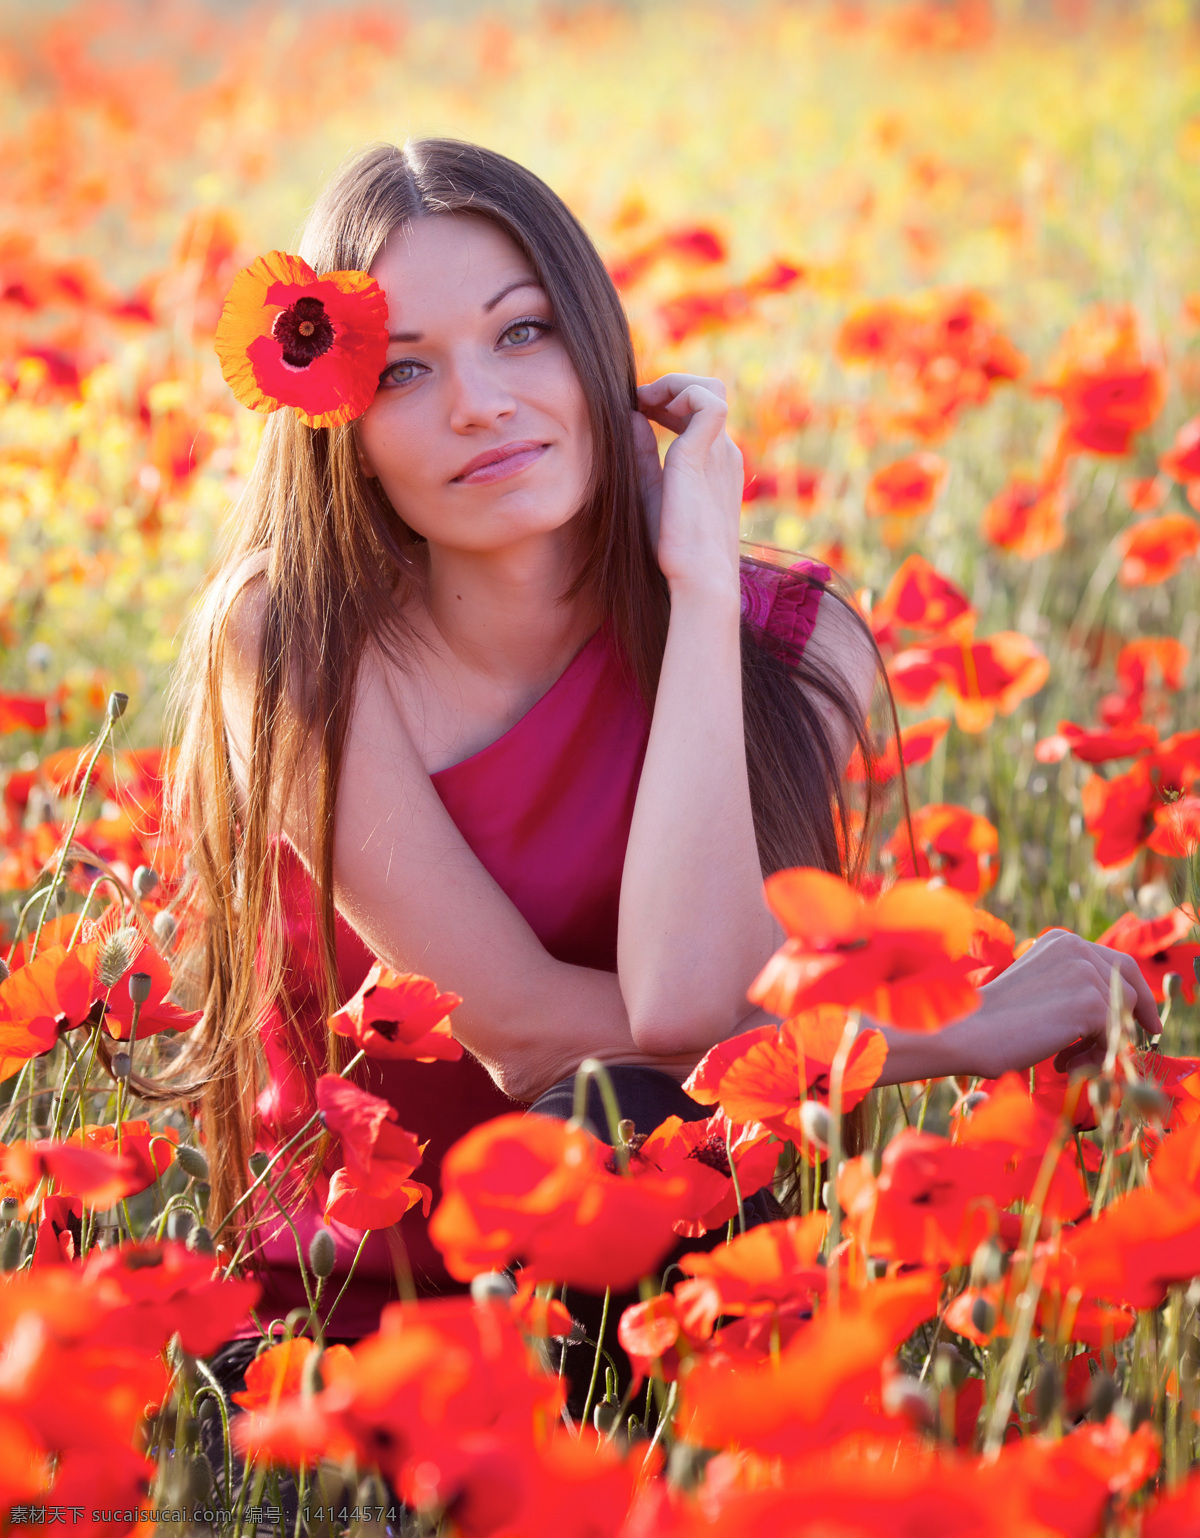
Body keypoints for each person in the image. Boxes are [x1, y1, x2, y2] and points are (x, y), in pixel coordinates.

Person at [168, 139, 1161, 1343]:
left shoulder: (795, 644)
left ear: (598, 346)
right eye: (403, 373)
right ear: (338, 419)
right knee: (612, 1096)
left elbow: (691, 1004)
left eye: (520, 331)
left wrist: (696, 592)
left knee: (633, 1116)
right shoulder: (289, 636)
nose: (479, 401)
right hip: (352, 1341)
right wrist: (949, 1033)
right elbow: (526, 1028)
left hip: (676, 1301)